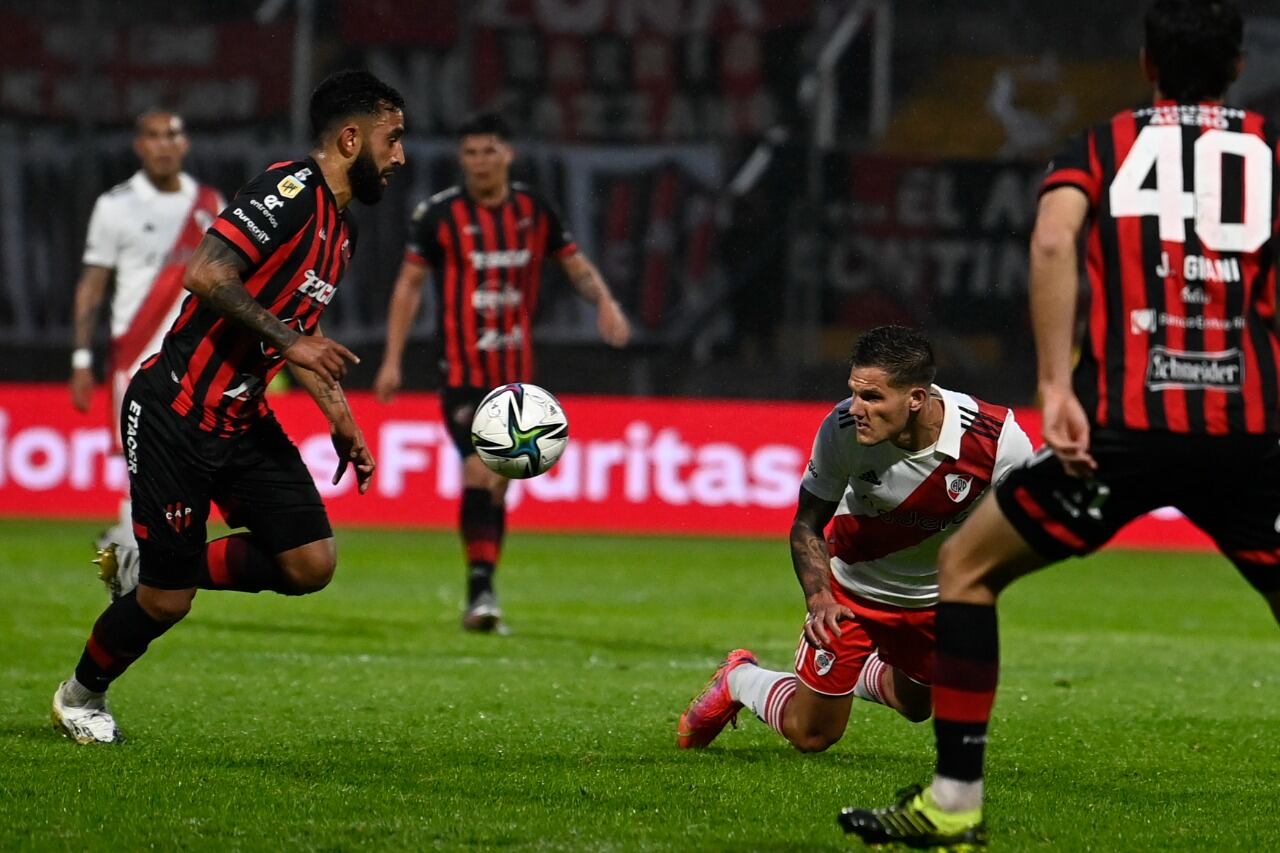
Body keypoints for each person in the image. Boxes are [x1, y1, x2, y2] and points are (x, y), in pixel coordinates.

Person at [840, 2, 1280, 847]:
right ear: (1236, 67)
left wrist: (1054, 383)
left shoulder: (1104, 144)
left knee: (967, 568)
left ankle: (955, 801)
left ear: (1148, 63)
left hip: (1118, 435)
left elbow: (1050, 244)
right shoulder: (1270, 149)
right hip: (1246, 435)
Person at [50, 69, 406, 744]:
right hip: (174, 410)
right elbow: (207, 273)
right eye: (392, 140)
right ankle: (79, 695)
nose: (400, 156)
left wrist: (341, 416)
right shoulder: (288, 189)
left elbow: (307, 330)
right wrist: (290, 341)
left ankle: (144, 562)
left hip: (241, 421)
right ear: (351, 137)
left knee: (311, 563)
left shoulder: (343, 232)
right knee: (165, 601)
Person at [677, 325, 1032, 754]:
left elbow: (1024, 525)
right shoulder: (841, 428)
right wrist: (820, 597)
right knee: (813, 735)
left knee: (916, 704)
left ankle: (853, 671)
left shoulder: (997, 440)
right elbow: (807, 523)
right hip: (852, 595)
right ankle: (739, 678)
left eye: (873, 397)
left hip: (934, 600)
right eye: (855, 392)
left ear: (916, 398)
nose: (857, 407)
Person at [373, 112, 631, 634]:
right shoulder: (438, 215)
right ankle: (480, 593)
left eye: (489, 150)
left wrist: (605, 302)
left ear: (507, 154)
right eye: (470, 152)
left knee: (498, 486)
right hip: (462, 372)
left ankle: (484, 581)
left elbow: (574, 264)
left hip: (516, 375)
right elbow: (409, 285)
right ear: (461, 159)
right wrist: (392, 359)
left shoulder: (534, 210)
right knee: (481, 469)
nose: (480, 161)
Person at [70, 109, 225, 567]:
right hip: (136, 355)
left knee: (182, 464)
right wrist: (81, 358)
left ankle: (124, 541)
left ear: (185, 143)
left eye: (171, 135)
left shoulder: (209, 204)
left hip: (196, 358)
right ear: (139, 146)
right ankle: (130, 557)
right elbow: (92, 286)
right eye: (153, 136)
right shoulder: (115, 206)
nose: (162, 144)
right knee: (141, 461)